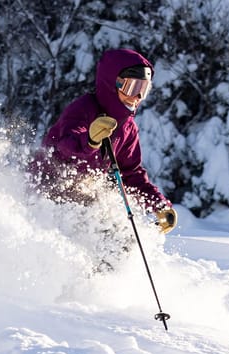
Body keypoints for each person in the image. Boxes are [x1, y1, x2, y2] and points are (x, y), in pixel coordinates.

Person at [29, 48, 177, 234]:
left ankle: (117, 262)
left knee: (119, 235)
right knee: (95, 233)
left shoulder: (127, 128)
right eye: (132, 87)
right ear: (111, 83)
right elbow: (65, 144)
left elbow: (130, 173)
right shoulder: (83, 109)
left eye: (143, 90)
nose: (137, 97)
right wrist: (90, 140)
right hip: (47, 190)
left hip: (82, 195)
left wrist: (159, 205)